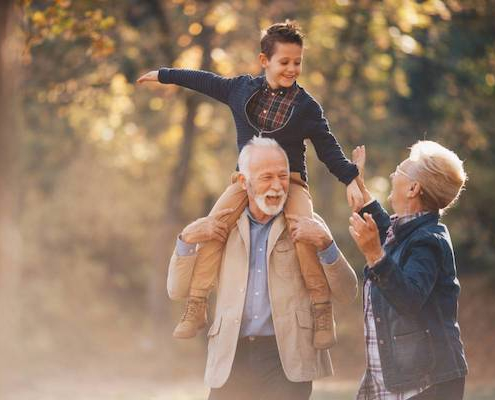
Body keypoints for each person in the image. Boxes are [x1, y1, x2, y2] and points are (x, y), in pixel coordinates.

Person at [138, 21, 362, 348]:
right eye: (284, 62)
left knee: (303, 232)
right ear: (264, 61)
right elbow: (203, 80)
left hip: (292, 181)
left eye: (297, 62)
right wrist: (164, 74)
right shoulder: (240, 90)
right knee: (215, 227)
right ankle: (197, 304)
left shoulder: (306, 107)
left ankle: (321, 310)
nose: (292, 69)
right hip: (245, 181)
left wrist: (351, 177)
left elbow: (328, 148)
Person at [167, 137, 358, 400]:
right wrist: (186, 238)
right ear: (244, 182)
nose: (278, 186)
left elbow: (348, 292)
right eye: (267, 177)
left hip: (287, 359)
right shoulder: (222, 227)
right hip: (231, 355)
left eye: (282, 176)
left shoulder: (306, 223)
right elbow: (176, 290)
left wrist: (327, 244)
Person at [348, 142, 468, 400]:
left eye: (400, 170)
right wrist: (359, 184)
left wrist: (374, 255)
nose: (392, 175)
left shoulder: (429, 241)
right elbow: (384, 225)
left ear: (414, 189)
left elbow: (409, 298)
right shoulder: (402, 231)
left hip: (426, 384)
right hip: (399, 378)